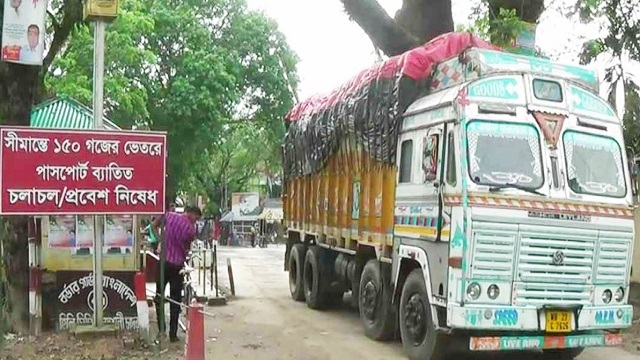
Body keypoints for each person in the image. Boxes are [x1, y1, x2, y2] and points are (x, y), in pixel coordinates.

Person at [151, 205, 202, 342]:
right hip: (177, 266)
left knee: (159, 296)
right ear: (191, 213)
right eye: (195, 219)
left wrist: (160, 240)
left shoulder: (170, 216)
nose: (194, 222)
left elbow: (153, 225)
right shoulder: (190, 230)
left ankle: (162, 330)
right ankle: (173, 334)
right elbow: (186, 248)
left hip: (163, 263)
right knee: (175, 300)